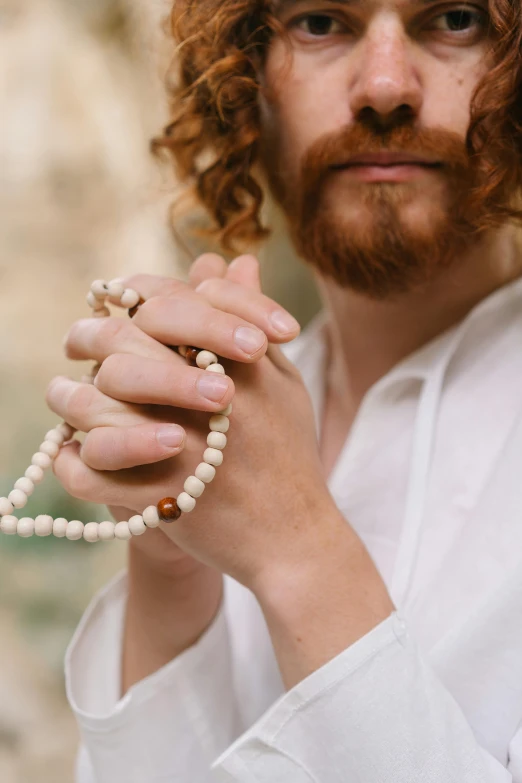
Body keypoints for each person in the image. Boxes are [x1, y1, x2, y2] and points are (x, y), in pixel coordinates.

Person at [45, 0, 522, 779]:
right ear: (245, 81)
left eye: (457, 18)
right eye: (322, 22)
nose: (385, 87)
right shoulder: (232, 412)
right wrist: (170, 570)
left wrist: (299, 550)